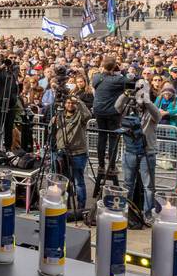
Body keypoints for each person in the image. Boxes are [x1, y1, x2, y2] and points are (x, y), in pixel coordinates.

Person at [116, 79, 163, 228]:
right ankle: (126, 212)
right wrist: (126, 94)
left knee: (148, 186)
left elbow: (158, 116)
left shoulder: (151, 109)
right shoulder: (129, 108)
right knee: (128, 184)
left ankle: (148, 214)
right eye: (138, 89)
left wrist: (147, 100)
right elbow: (117, 107)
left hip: (147, 152)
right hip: (130, 151)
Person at [91, 57, 135, 186]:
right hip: (112, 112)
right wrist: (123, 71)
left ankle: (100, 165)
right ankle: (111, 165)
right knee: (113, 138)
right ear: (114, 66)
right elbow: (131, 82)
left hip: (98, 110)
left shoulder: (96, 77)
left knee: (101, 137)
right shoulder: (117, 79)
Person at [54, 93, 92, 214]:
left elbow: (88, 115)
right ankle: (65, 203)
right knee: (64, 180)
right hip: (62, 153)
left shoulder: (80, 116)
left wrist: (79, 100)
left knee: (78, 181)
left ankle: (80, 208)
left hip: (78, 153)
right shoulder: (59, 116)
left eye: (72, 103)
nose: (70, 105)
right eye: (68, 102)